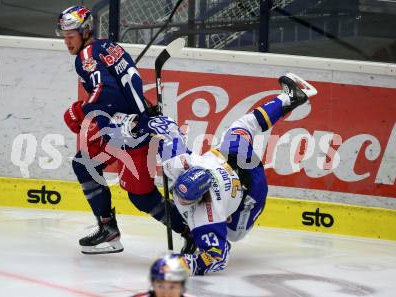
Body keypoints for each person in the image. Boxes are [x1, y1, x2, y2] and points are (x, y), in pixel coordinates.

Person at [120, 73, 317, 274]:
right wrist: (142, 123)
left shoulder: (206, 214)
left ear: (200, 198)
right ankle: (291, 98)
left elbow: (217, 258)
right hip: (231, 159)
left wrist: (187, 264)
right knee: (242, 126)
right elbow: (166, 127)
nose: (179, 198)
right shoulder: (180, 164)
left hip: (251, 193)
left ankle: (208, 230)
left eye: (185, 200)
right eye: (179, 193)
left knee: (234, 235)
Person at [56, 5, 194, 254]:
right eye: (64, 36)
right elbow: (124, 86)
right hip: (126, 123)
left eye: (71, 36)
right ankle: (108, 228)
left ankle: (192, 231)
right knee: (85, 164)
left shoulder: (86, 57)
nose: (67, 42)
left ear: (85, 31)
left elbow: (105, 94)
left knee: (142, 197)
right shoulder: (109, 46)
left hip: (128, 129)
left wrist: (81, 110)